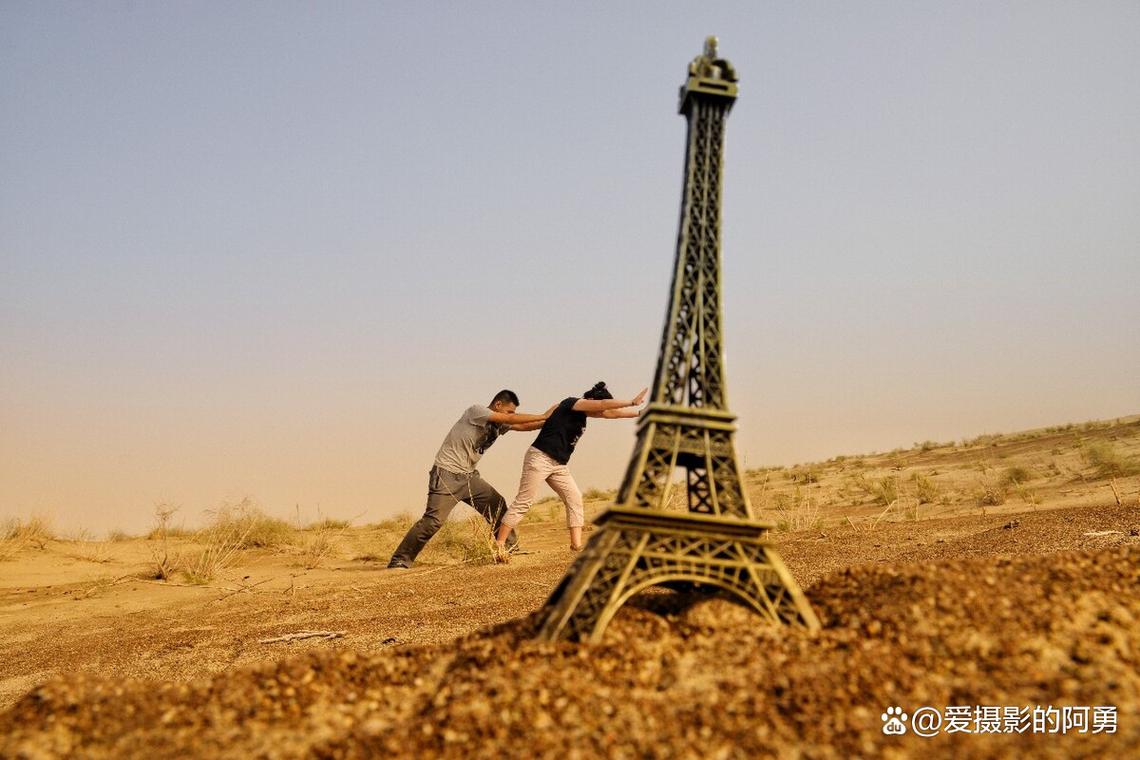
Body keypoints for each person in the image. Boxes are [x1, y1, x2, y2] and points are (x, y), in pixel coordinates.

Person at [387, 390, 553, 569]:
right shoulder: (476, 411)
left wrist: (550, 420)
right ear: (498, 405)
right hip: (447, 475)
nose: (511, 416)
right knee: (433, 521)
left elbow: (523, 426)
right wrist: (543, 414)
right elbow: (515, 420)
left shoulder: (499, 424)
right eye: (509, 412)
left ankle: (508, 547)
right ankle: (400, 559)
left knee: (496, 504)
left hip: (469, 477)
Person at [494, 382, 646, 557]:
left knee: (574, 498)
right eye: (597, 408)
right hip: (540, 458)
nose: (600, 413)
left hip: (558, 464)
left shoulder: (584, 415)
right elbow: (604, 406)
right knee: (524, 501)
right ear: (590, 401)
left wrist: (639, 413)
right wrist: (632, 402)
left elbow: (611, 413)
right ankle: (499, 544)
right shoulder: (571, 403)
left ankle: (576, 545)